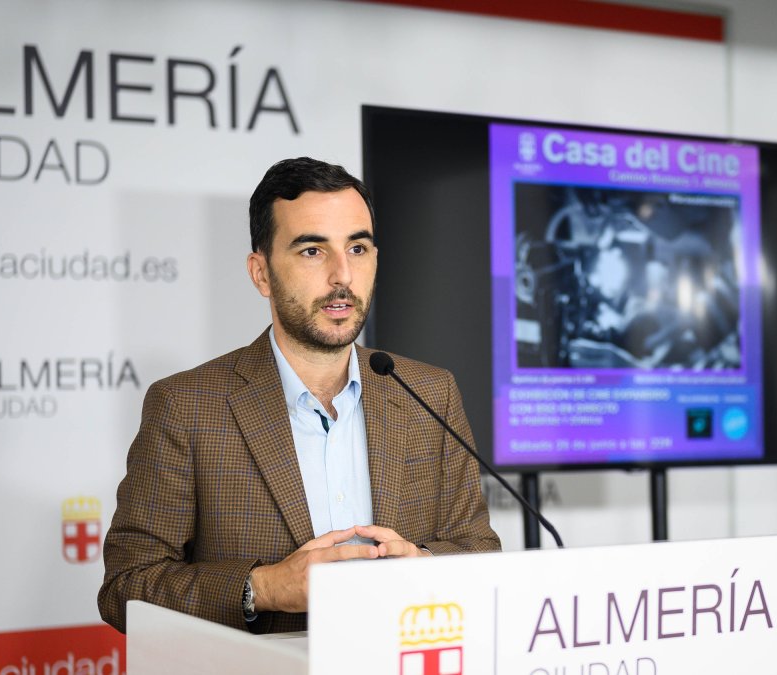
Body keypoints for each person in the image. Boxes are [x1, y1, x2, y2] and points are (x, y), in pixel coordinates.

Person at [98, 157, 500, 634]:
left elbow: (478, 550)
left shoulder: (428, 392)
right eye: (313, 251)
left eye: (358, 248)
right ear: (261, 272)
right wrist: (263, 589)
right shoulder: (187, 407)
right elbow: (126, 587)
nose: (342, 276)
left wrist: (422, 562)